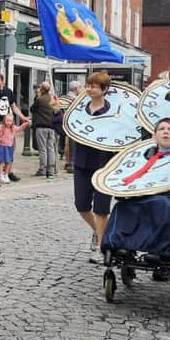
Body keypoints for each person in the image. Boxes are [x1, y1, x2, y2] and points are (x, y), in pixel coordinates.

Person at [72, 72, 114, 260]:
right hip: (82, 162)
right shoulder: (79, 109)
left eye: (94, 86)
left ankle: (102, 246)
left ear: (104, 90)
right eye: (88, 85)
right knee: (81, 205)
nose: (89, 89)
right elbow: (64, 128)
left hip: (104, 164)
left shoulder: (114, 111)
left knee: (102, 208)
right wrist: (57, 113)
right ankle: (98, 231)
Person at [0, 72, 29, 182]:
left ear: (3, 81)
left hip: (9, 124)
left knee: (11, 148)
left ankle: (8, 172)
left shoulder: (8, 91)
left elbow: (13, 106)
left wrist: (22, 117)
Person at [30, 82, 58, 178]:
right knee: (50, 148)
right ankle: (51, 170)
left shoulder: (40, 100)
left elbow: (32, 109)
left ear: (41, 89)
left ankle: (43, 169)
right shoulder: (53, 99)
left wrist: (37, 97)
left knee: (42, 149)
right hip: (52, 127)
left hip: (41, 126)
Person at [0, 114, 29, 183]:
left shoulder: (13, 128)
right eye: (7, 120)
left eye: (10, 121)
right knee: (1, 162)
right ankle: (1, 175)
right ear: (4, 120)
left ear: (12, 121)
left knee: (8, 161)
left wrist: (26, 123)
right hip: (1, 146)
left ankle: (6, 174)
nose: (8, 122)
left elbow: (20, 128)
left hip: (9, 147)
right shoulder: (1, 127)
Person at [64, 80, 82, 173]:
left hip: (67, 124)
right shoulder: (75, 99)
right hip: (74, 125)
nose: (81, 89)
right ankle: (71, 162)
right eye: (79, 87)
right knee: (71, 144)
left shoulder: (66, 97)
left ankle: (68, 162)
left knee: (67, 144)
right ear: (76, 89)